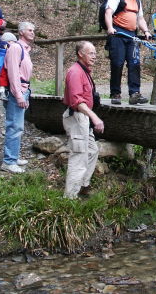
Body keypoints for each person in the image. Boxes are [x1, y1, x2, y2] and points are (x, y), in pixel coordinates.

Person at [62, 41, 104, 199]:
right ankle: (70, 198)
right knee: (79, 157)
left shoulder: (85, 71)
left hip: (84, 118)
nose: (94, 56)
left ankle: (83, 185)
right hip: (77, 117)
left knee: (92, 151)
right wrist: (94, 117)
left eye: (95, 53)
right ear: (80, 54)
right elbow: (77, 101)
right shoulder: (75, 72)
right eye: (91, 53)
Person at [104, 0, 151, 105]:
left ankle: (134, 93)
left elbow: (140, 18)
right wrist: (110, 27)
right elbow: (108, 12)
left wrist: (146, 31)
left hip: (132, 35)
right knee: (117, 63)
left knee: (134, 64)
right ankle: (115, 94)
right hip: (118, 33)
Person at [1, 22, 35, 173]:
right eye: (30, 30)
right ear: (21, 32)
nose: (33, 32)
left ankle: (13, 157)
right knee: (14, 126)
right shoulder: (16, 48)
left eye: (33, 30)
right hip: (17, 91)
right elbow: (13, 73)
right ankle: (8, 161)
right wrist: (19, 95)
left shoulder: (25, 49)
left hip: (24, 89)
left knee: (18, 126)